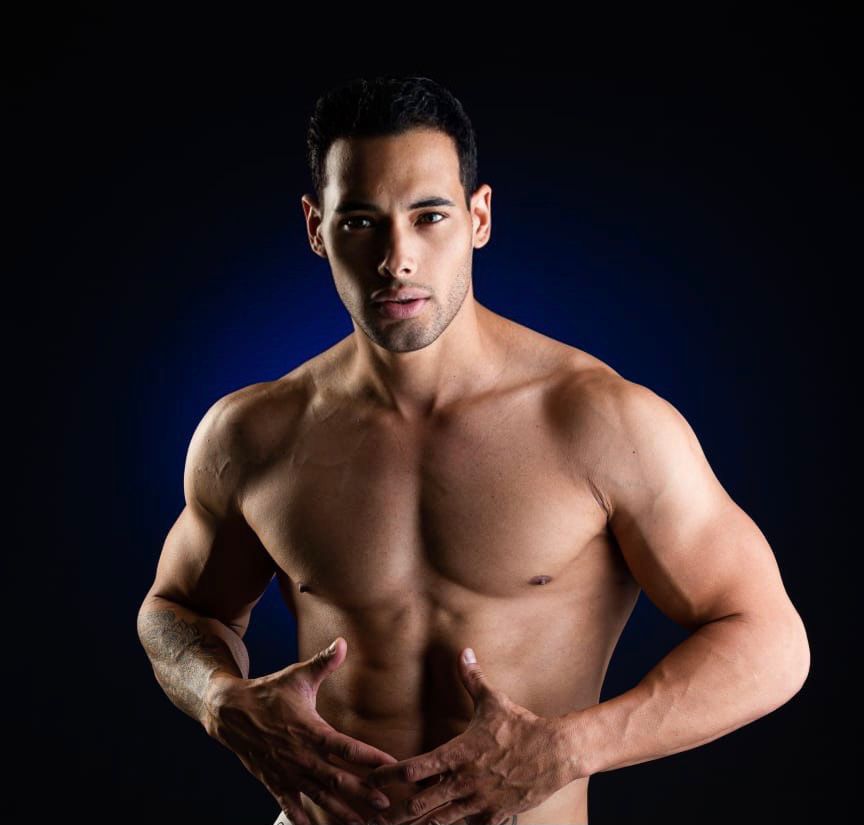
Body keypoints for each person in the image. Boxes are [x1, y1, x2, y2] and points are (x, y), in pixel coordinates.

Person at [136, 75, 810, 825]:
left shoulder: (600, 422)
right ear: (316, 227)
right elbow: (177, 610)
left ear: (478, 217)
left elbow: (772, 643)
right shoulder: (254, 434)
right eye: (360, 221)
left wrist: (569, 749)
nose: (397, 258)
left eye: (429, 216)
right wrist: (219, 699)